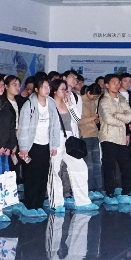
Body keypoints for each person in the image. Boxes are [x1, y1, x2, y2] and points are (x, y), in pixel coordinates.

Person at [17, 77, 62, 216]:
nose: (47, 90)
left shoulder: (51, 103)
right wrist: (23, 148)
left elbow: (55, 125)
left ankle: (39, 204)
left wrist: (54, 144)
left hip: (45, 145)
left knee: (43, 175)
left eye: (48, 87)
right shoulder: (29, 105)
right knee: (31, 176)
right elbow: (23, 128)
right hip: (32, 145)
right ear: (37, 89)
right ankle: (30, 205)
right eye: (44, 87)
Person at [53, 80, 94, 211]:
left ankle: (82, 201)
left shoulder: (67, 102)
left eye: (66, 89)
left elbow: (77, 119)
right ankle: (56, 202)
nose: (65, 92)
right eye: (62, 89)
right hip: (55, 139)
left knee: (80, 167)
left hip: (69, 138)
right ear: (55, 90)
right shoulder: (49, 104)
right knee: (55, 170)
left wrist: (70, 102)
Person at [98, 75, 131, 201]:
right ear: (107, 85)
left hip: (121, 137)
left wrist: (117, 115)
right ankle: (109, 192)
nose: (117, 85)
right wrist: (123, 121)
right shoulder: (104, 100)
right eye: (113, 83)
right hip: (108, 137)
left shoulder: (122, 99)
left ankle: (126, 192)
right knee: (109, 166)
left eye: (118, 83)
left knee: (126, 165)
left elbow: (130, 116)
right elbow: (108, 119)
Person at [78, 83, 103, 195]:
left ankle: (99, 187)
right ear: (88, 92)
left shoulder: (92, 102)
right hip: (85, 135)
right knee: (89, 164)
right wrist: (92, 118)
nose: (95, 98)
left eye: (97, 97)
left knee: (97, 162)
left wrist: (96, 120)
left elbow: (92, 117)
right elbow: (78, 121)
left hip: (94, 134)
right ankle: (89, 188)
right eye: (94, 96)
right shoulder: (79, 101)